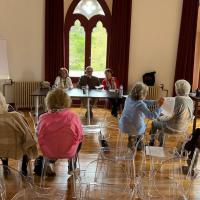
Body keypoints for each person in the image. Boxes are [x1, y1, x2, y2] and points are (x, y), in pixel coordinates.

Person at [37, 89, 83, 174]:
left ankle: (50, 162)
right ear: (66, 101)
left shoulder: (42, 118)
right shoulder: (73, 116)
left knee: (52, 139)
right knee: (79, 141)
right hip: (69, 151)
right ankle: (72, 166)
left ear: (48, 101)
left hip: (48, 151)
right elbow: (80, 135)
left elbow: (38, 134)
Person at [0, 92, 38, 176]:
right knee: (26, 142)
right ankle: (24, 169)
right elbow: (26, 133)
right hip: (16, 146)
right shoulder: (16, 116)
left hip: (1, 147)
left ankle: (5, 165)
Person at [119, 82, 164, 150]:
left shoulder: (129, 97)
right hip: (134, 127)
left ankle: (131, 139)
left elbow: (144, 102)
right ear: (142, 94)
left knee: (135, 123)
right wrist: (159, 107)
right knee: (142, 127)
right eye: (146, 93)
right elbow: (151, 116)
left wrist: (155, 102)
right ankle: (138, 144)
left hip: (124, 124)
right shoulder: (140, 104)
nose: (146, 94)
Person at [149, 79, 194, 146]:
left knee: (154, 122)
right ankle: (157, 141)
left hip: (172, 128)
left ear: (179, 89)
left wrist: (160, 118)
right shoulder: (190, 100)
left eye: (176, 87)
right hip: (184, 127)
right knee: (161, 118)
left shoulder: (179, 99)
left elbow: (171, 117)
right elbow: (180, 114)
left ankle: (152, 142)